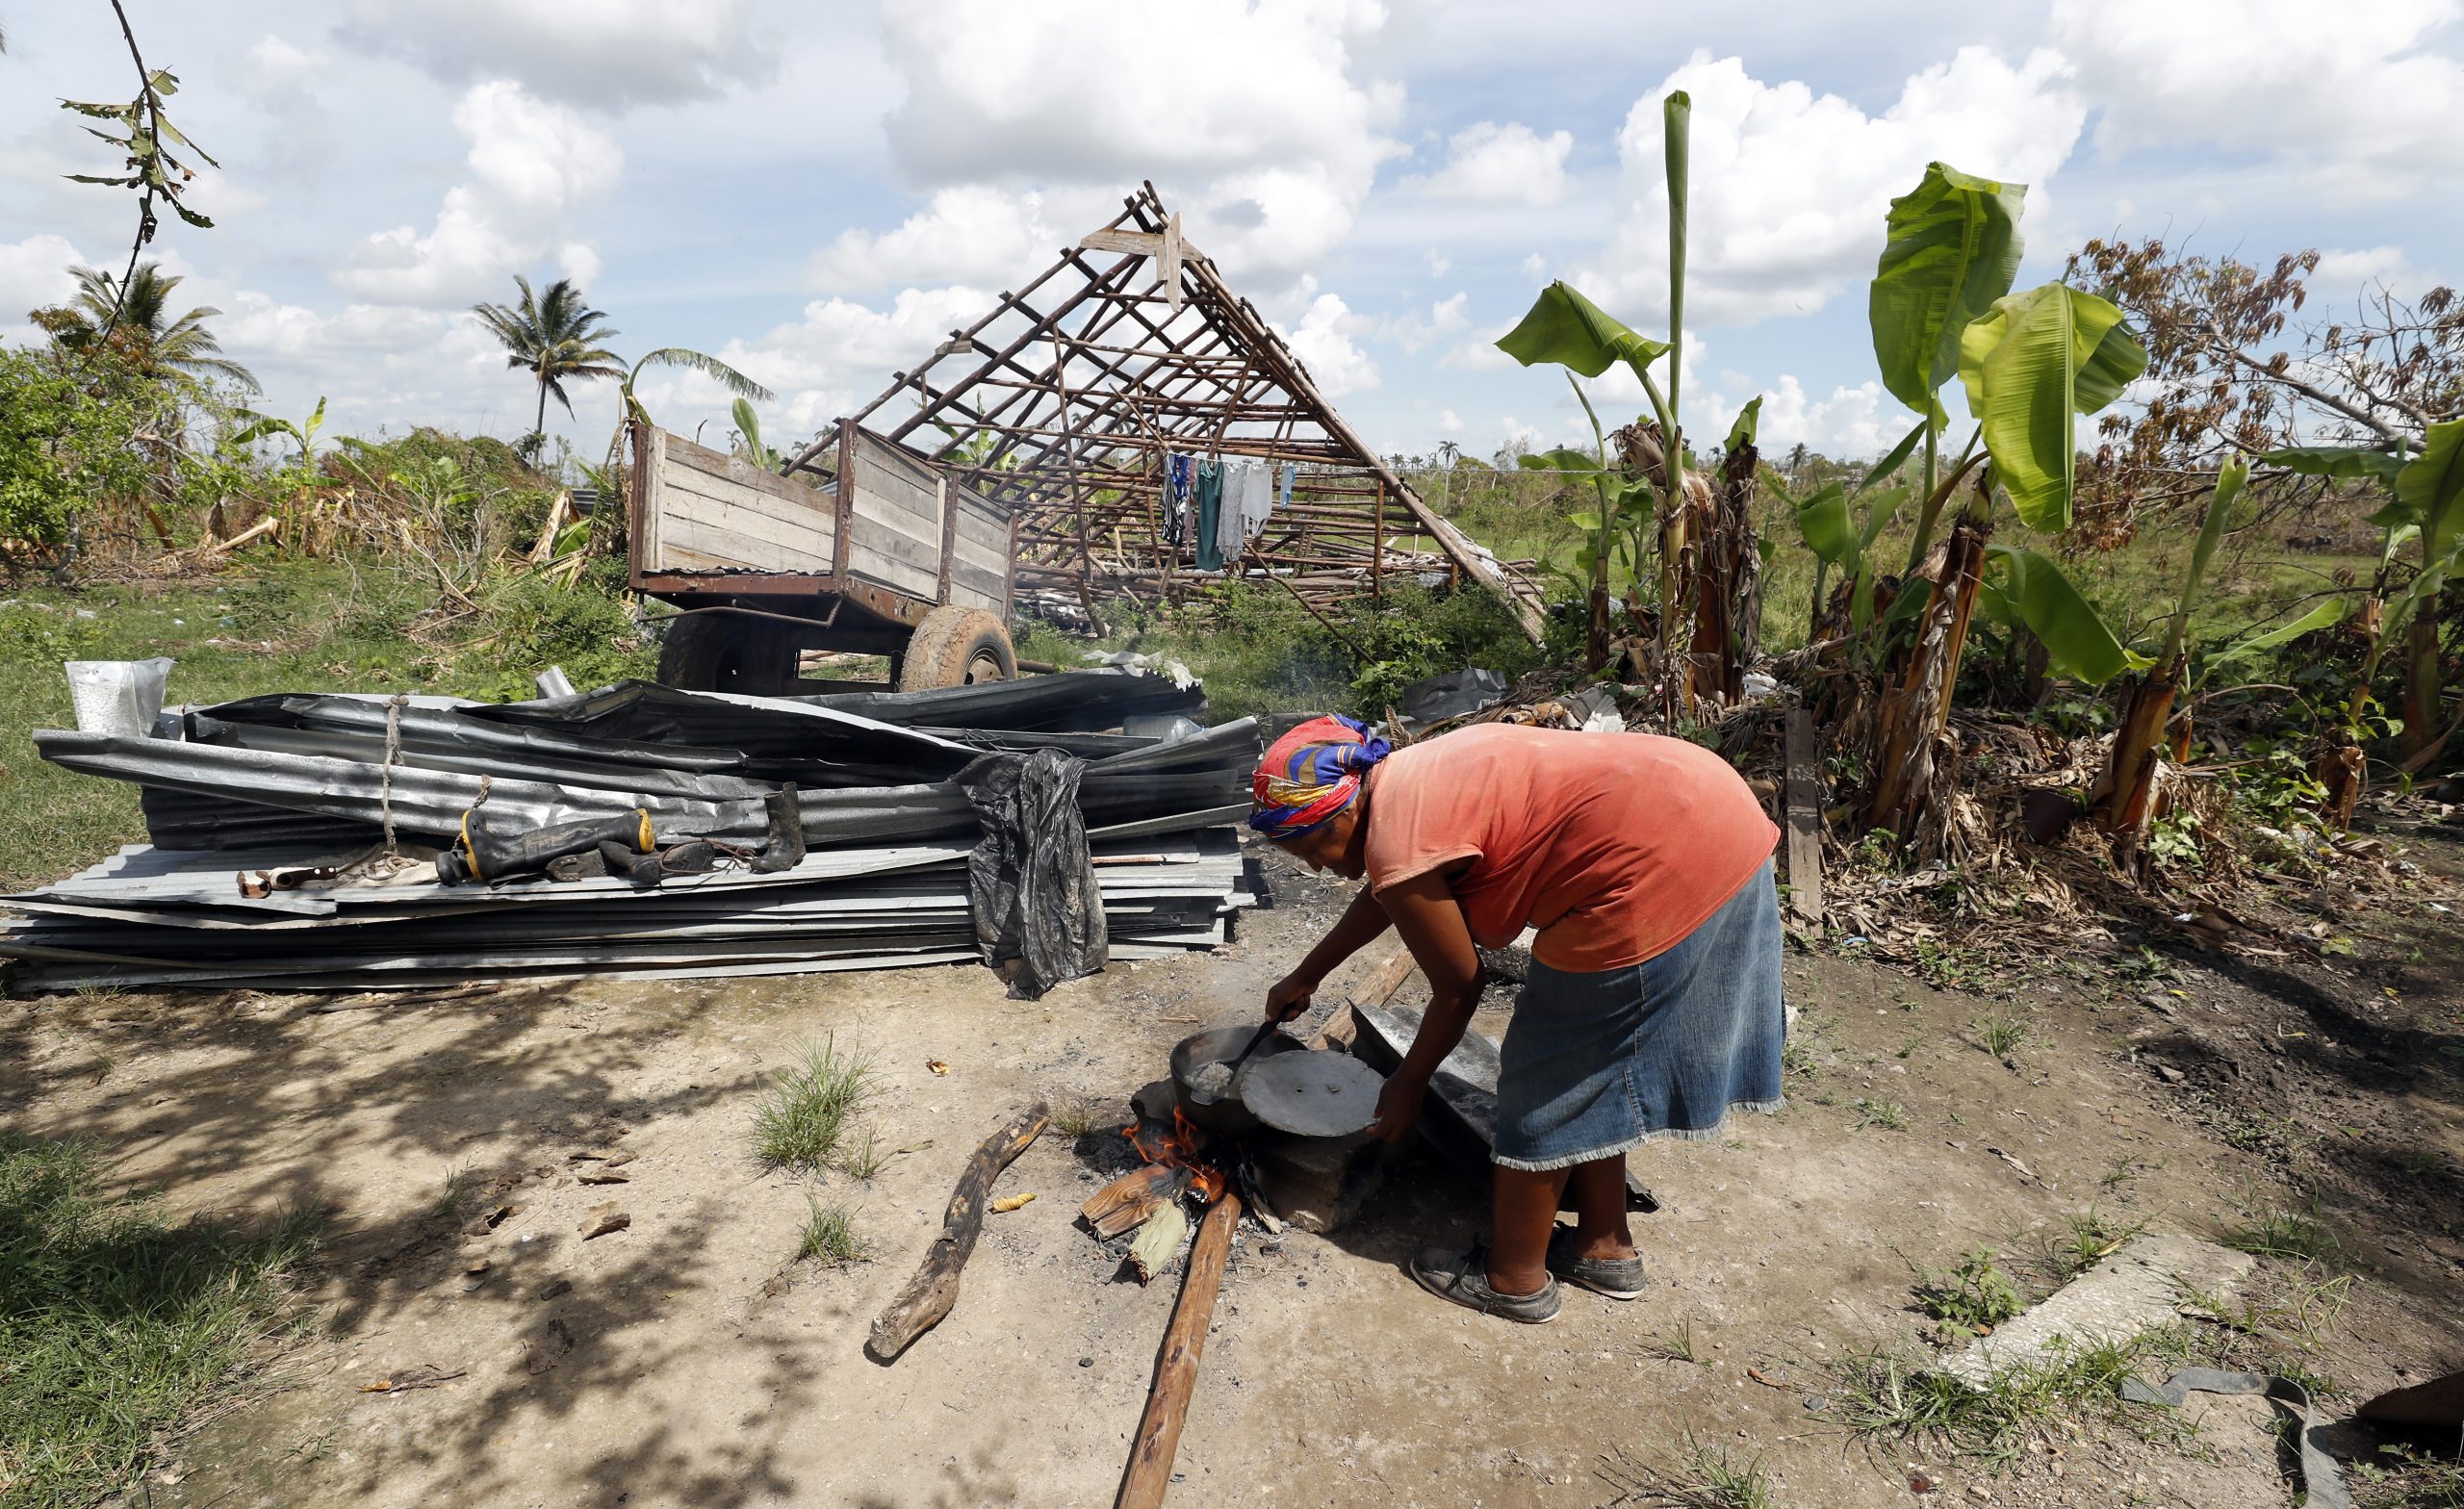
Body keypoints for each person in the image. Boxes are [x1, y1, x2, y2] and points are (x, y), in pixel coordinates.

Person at [1249, 712, 1784, 1324]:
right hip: (1710, 812)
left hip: (1656, 862)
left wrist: (1409, 1081)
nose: (1314, 866)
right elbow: (1394, 889)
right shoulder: (1404, 782)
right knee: (1593, 1066)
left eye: (1310, 846)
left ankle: (1514, 1279)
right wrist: (1307, 974)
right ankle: (1604, 1247)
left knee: (1546, 1076)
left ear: (1343, 811)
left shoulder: (1398, 837)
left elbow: (1459, 987)